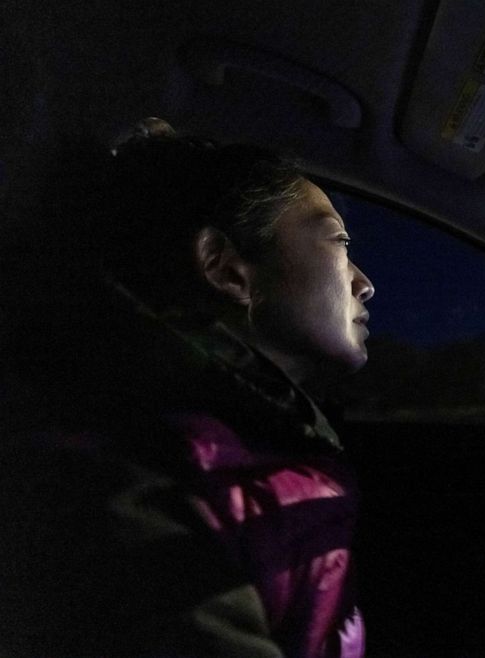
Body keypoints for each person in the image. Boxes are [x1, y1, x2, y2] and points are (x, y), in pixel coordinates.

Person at [0, 118, 373, 657]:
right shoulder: (136, 485)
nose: (365, 282)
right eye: (338, 240)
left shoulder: (258, 441)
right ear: (226, 268)